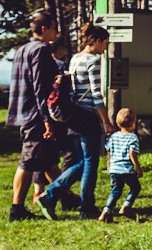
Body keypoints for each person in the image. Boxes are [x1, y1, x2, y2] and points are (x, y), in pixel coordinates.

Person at [36, 22, 115, 220]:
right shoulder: (93, 60)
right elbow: (97, 95)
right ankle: (86, 207)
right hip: (88, 116)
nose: (105, 48)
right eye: (105, 43)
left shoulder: (75, 59)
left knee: (81, 161)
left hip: (73, 115)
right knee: (90, 163)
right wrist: (106, 121)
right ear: (97, 41)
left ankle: (50, 194)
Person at [6, 12, 61, 221]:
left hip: (24, 110)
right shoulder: (40, 50)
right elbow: (40, 87)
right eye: (54, 27)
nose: (56, 31)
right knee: (27, 161)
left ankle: (65, 196)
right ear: (45, 28)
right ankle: (16, 209)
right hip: (35, 114)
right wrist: (47, 118)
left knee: (48, 159)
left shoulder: (22, 49)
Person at [32, 35, 80, 211]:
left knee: (43, 155)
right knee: (69, 154)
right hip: (58, 117)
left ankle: (38, 190)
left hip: (42, 116)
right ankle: (63, 192)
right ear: (59, 49)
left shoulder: (39, 65)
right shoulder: (59, 66)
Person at [100, 108, 142, 223]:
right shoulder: (132, 137)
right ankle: (126, 207)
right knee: (135, 187)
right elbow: (132, 154)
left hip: (114, 169)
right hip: (126, 170)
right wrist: (138, 167)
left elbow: (107, 149)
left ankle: (106, 212)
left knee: (116, 191)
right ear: (133, 123)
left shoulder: (113, 136)